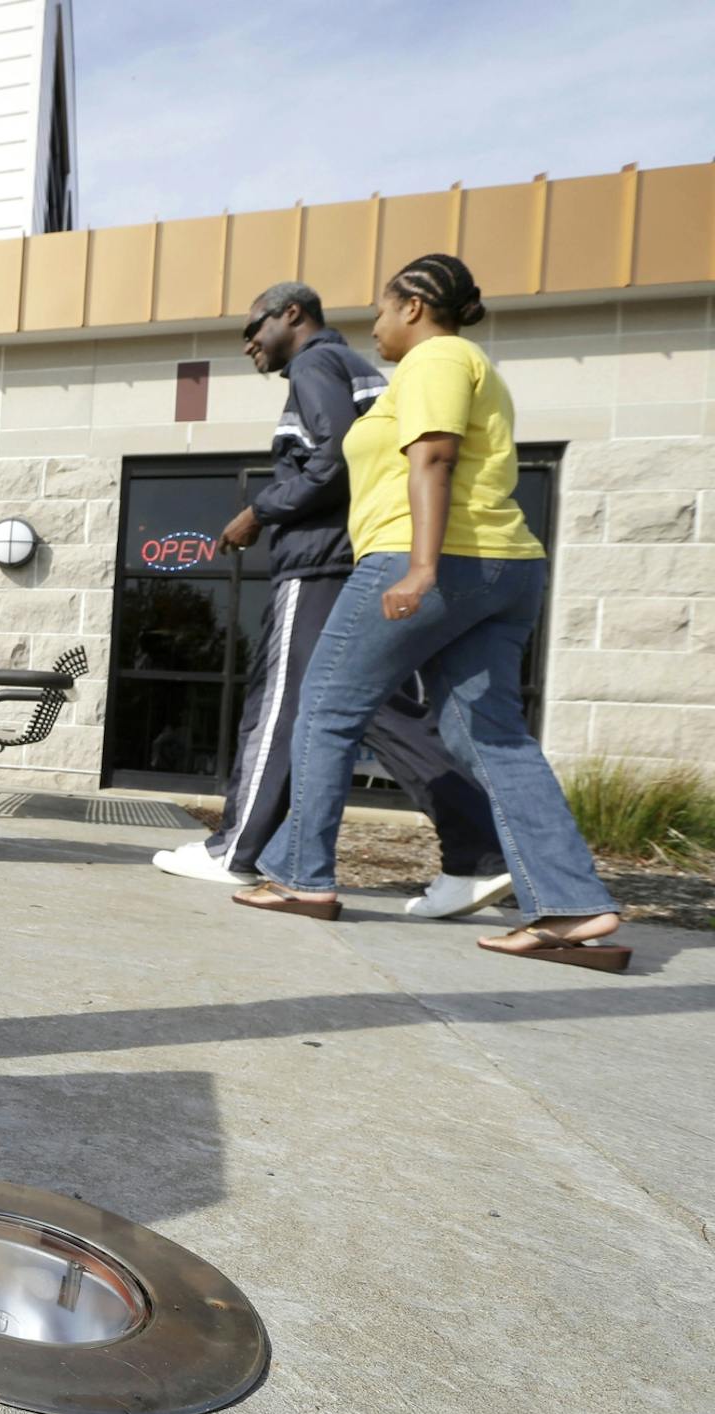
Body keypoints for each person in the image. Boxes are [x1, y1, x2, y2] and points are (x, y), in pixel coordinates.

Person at [232, 254, 627, 970]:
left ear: (413, 305)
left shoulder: (437, 359)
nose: (375, 327)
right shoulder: (461, 368)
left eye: (382, 310)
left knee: (324, 705)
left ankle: (299, 877)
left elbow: (436, 457)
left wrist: (419, 566)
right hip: (498, 569)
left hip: (437, 558)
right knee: (489, 735)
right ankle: (570, 907)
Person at [152, 281, 510, 919]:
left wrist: (258, 513)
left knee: (283, 701)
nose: (248, 345)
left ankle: (236, 850)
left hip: (320, 561)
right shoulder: (352, 366)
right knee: (372, 707)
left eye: (254, 328)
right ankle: (481, 850)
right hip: (360, 552)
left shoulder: (316, 363)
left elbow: (334, 457)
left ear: (292, 315)